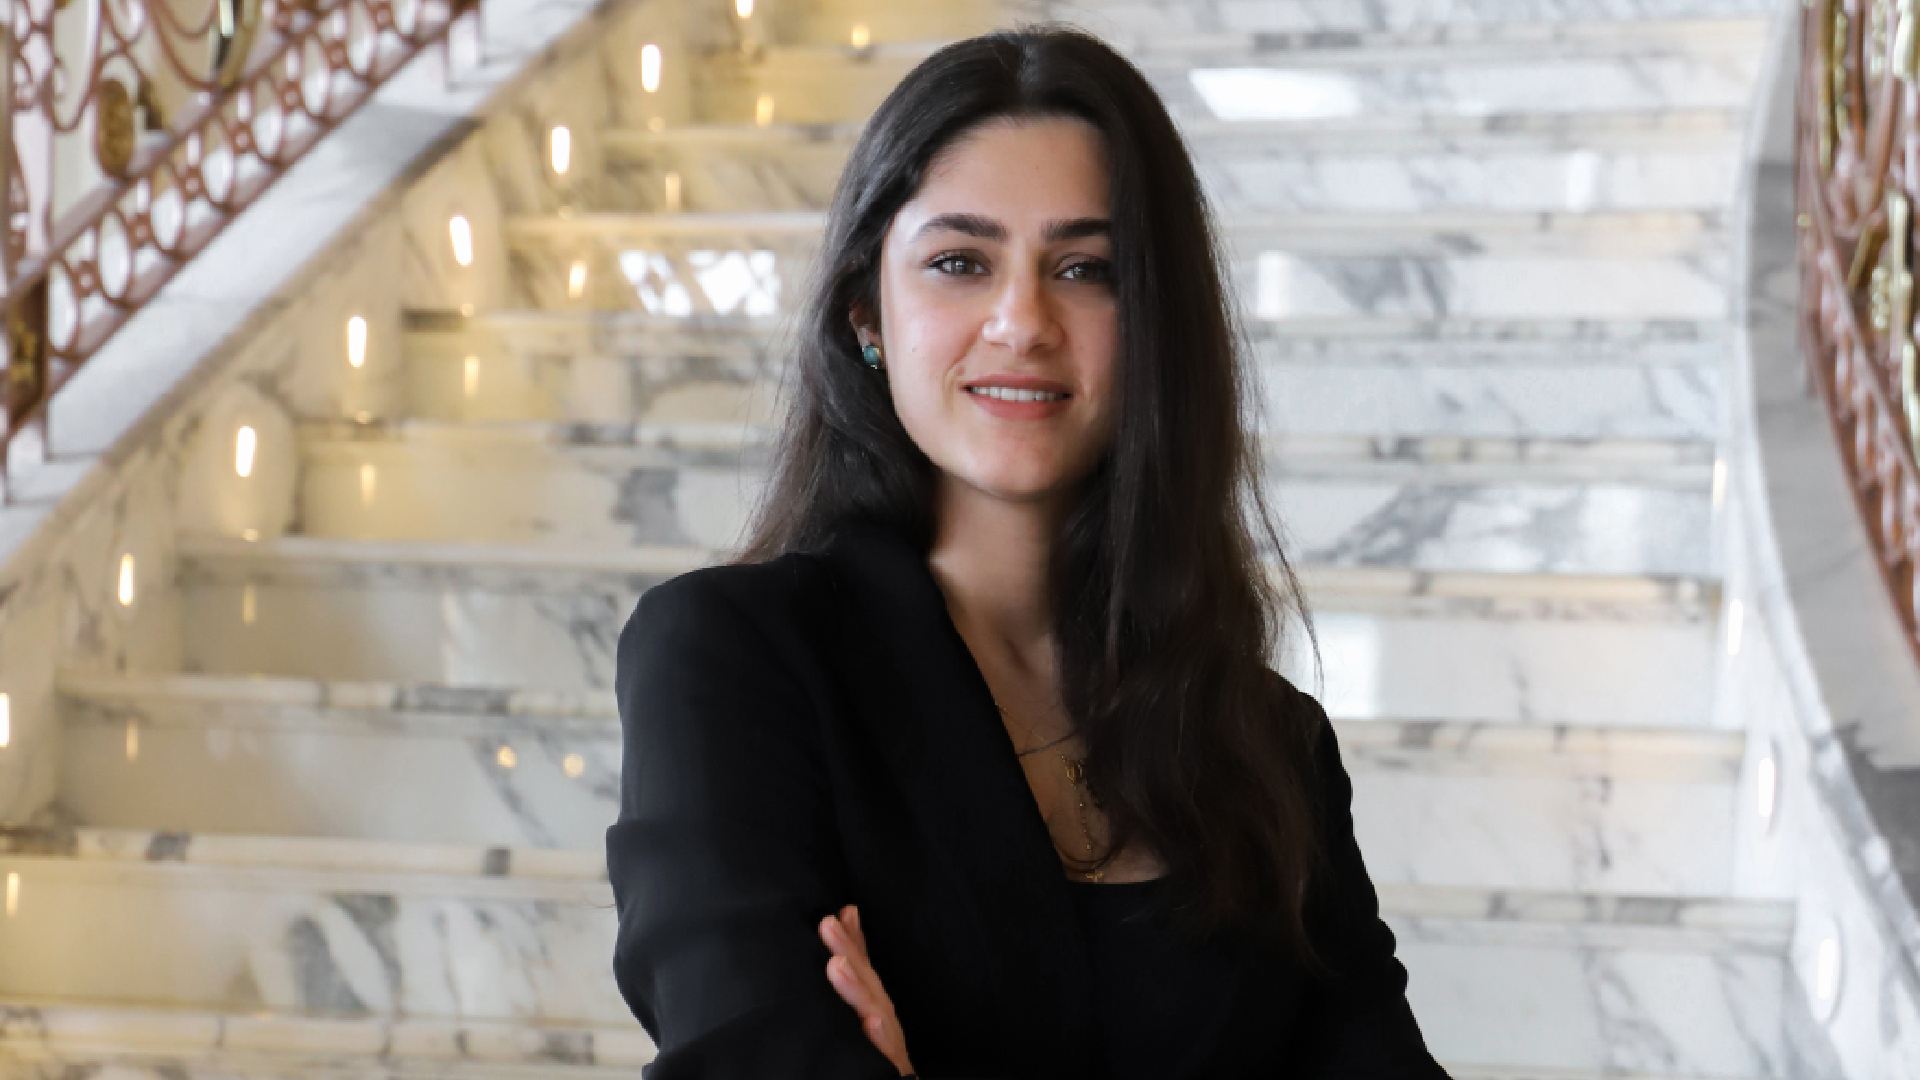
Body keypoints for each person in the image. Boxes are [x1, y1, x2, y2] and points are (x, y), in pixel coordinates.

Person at [604, 22, 1452, 1079]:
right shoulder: (735, 660)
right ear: (869, 308)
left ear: (1153, 324)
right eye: (960, 261)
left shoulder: (1269, 744)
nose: (1021, 320)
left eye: (1087, 268)